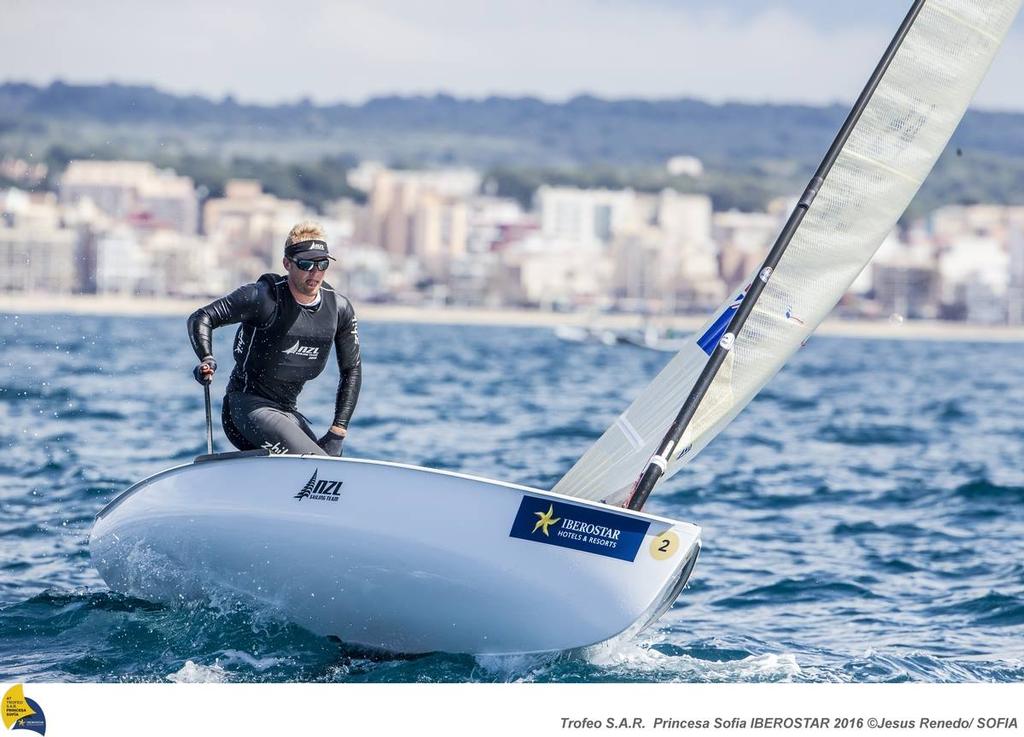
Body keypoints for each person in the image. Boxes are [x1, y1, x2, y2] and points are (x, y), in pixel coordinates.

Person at [187, 222, 361, 456]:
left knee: (329, 469)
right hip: (245, 408)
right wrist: (206, 358)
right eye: (306, 263)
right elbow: (202, 317)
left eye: (322, 264)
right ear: (287, 263)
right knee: (321, 467)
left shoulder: (338, 308)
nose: (315, 272)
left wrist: (338, 431)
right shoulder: (263, 297)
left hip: (288, 413)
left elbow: (352, 369)